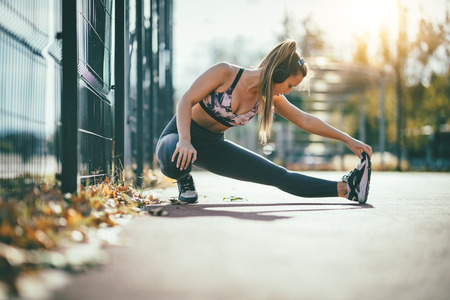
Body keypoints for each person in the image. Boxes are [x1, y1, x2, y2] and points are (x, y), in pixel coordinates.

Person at [156, 40, 372, 204]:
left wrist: (347, 139)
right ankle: (184, 178)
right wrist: (185, 139)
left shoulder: (269, 99)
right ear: (278, 74)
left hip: (213, 147)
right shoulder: (225, 73)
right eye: (289, 85)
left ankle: (346, 189)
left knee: (279, 175)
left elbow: (306, 120)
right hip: (179, 135)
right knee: (172, 156)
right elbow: (185, 100)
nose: (288, 91)